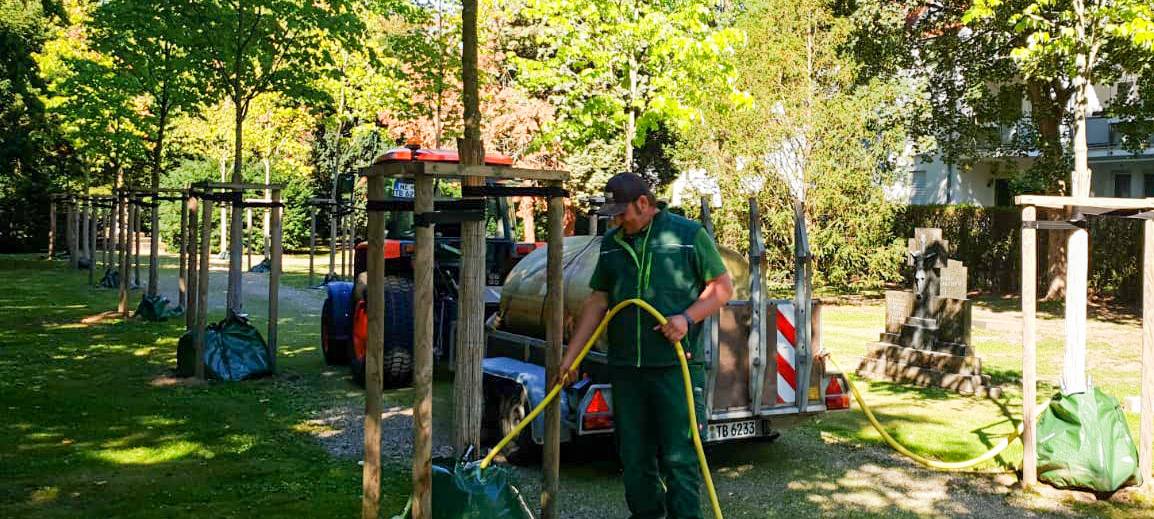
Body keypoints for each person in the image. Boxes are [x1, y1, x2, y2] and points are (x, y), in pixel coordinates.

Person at [557, 172, 733, 519]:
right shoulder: (611, 243)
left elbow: (722, 288)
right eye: (613, 215)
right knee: (634, 461)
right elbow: (598, 300)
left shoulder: (687, 235)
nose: (618, 220)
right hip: (627, 371)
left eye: (622, 213)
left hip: (675, 369)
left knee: (680, 459)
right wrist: (571, 356)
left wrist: (686, 318)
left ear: (644, 203)